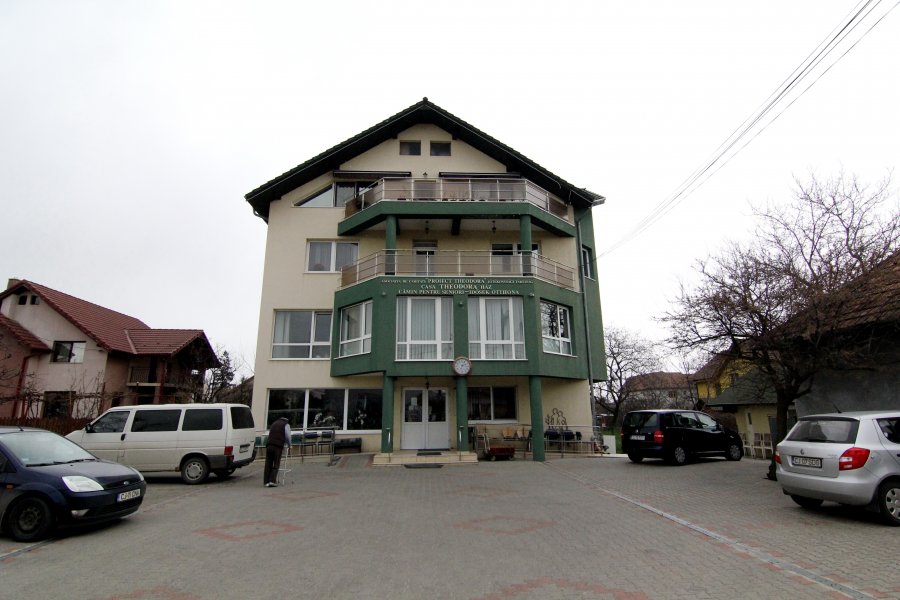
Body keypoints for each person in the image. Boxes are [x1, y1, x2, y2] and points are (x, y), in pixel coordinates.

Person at [264, 417, 291, 487]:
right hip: (277, 446)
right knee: (276, 463)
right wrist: (289, 445)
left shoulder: (274, 423)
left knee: (268, 463)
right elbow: (288, 436)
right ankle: (272, 481)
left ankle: (266, 481)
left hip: (269, 445)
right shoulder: (286, 425)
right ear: (286, 420)